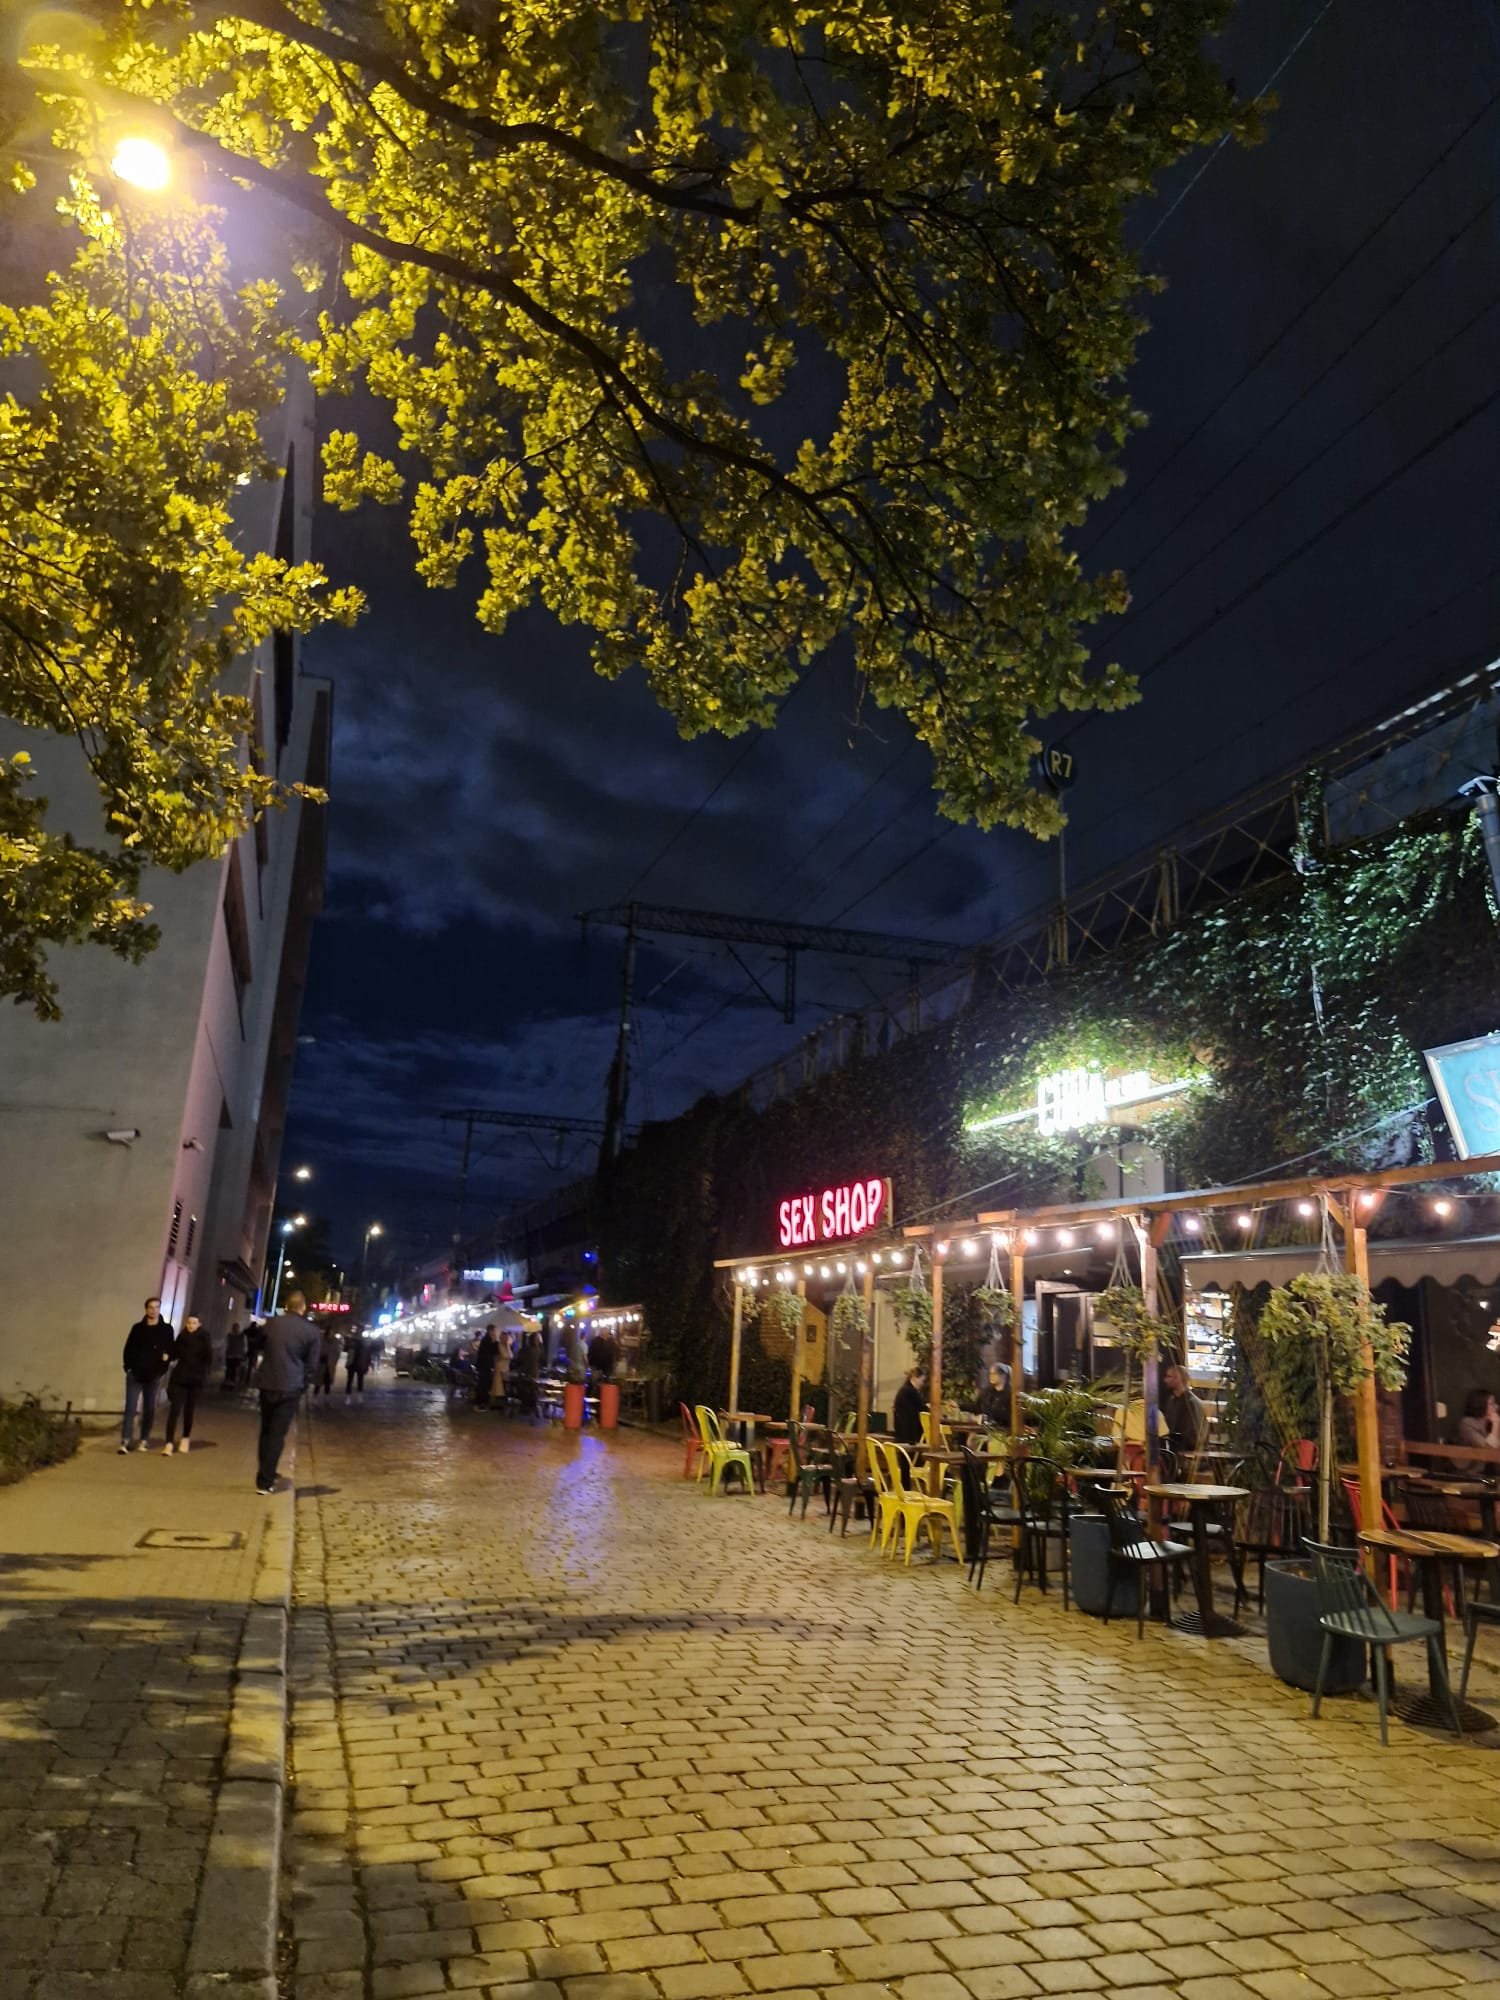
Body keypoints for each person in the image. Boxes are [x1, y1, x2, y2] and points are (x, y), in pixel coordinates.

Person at [255, 1290, 320, 1494]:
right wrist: (303, 1382)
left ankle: (265, 1472)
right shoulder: (311, 1331)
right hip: (291, 1386)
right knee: (277, 1433)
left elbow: (258, 1345)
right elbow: (312, 1364)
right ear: (303, 1308)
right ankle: (266, 1480)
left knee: (266, 1429)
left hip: (267, 1382)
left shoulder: (271, 1324)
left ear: (286, 1305)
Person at [120, 1297, 175, 1453]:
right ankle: (126, 1440)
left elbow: (169, 1351)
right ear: (146, 1309)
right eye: (150, 1307)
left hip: (153, 1375)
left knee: (149, 1408)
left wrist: (161, 1370)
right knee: (130, 1408)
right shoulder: (138, 1328)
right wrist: (129, 1367)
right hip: (135, 1374)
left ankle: (144, 1439)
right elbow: (128, 1348)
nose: (153, 1310)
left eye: (157, 1307)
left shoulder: (166, 1329)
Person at [163, 1314, 211, 1454]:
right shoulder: (181, 1337)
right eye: (189, 1322)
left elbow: (208, 1359)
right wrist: (167, 1355)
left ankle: (185, 1438)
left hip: (195, 1380)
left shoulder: (204, 1339)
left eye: (194, 1323)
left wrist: (202, 1375)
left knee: (189, 1410)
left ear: (199, 1324)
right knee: (174, 1410)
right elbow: (174, 1353)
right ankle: (169, 1443)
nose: (191, 1325)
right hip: (180, 1378)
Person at [1161, 1361, 1208, 1467]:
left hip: (1186, 1454)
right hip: (1174, 1450)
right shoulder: (1172, 1400)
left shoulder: (1191, 1403)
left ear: (1178, 1379)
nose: (1165, 1380)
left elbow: (1192, 1435)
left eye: (1169, 1377)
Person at [892, 1366, 927, 1447]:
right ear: (915, 1378)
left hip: (901, 1432)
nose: (922, 1383)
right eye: (922, 1380)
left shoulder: (904, 1389)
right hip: (910, 1435)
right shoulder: (911, 1391)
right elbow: (923, 1409)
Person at [474, 1324, 501, 1408]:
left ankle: (480, 1400)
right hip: (485, 1365)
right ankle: (482, 1401)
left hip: (484, 1364)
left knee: (483, 1383)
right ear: (490, 1331)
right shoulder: (487, 1340)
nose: (495, 1332)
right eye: (494, 1330)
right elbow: (493, 1352)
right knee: (484, 1383)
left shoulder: (486, 1340)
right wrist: (496, 1341)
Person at [345, 1330, 373, 1402]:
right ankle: (354, 1396)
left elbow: (367, 1356)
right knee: (356, 1380)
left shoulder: (360, 1345)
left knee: (353, 1380)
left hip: (357, 1364)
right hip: (355, 1364)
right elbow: (367, 1356)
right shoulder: (359, 1345)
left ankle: (351, 1396)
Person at [315, 1321, 341, 1397]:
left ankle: (326, 1398)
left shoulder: (335, 1341)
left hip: (329, 1364)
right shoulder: (321, 1339)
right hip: (322, 1364)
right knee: (318, 1382)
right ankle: (315, 1397)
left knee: (327, 1382)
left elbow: (336, 1352)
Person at [225, 1321, 246, 1389]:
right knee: (229, 1369)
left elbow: (244, 1346)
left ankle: (232, 1383)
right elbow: (226, 1345)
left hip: (237, 1356)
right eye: (234, 1327)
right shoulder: (230, 1336)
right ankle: (229, 1382)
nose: (235, 1329)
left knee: (234, 1370)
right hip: (230, 1355)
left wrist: (243, 1354)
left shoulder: (242, 1336)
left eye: (236, 1327)